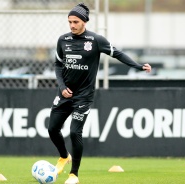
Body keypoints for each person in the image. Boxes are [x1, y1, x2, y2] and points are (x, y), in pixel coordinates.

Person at [47, 2, 152, 184]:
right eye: (70, 22)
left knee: (74, 133)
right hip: (64, 93)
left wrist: (138, 66)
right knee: (52, 129)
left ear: (84, 22)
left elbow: (118, 54)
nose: (72, 25)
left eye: (76, 22)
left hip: (83, 96)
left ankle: (74, 175)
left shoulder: (95, 41)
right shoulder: (63, 40)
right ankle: (64, 156)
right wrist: (62, 87)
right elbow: (57, 65)